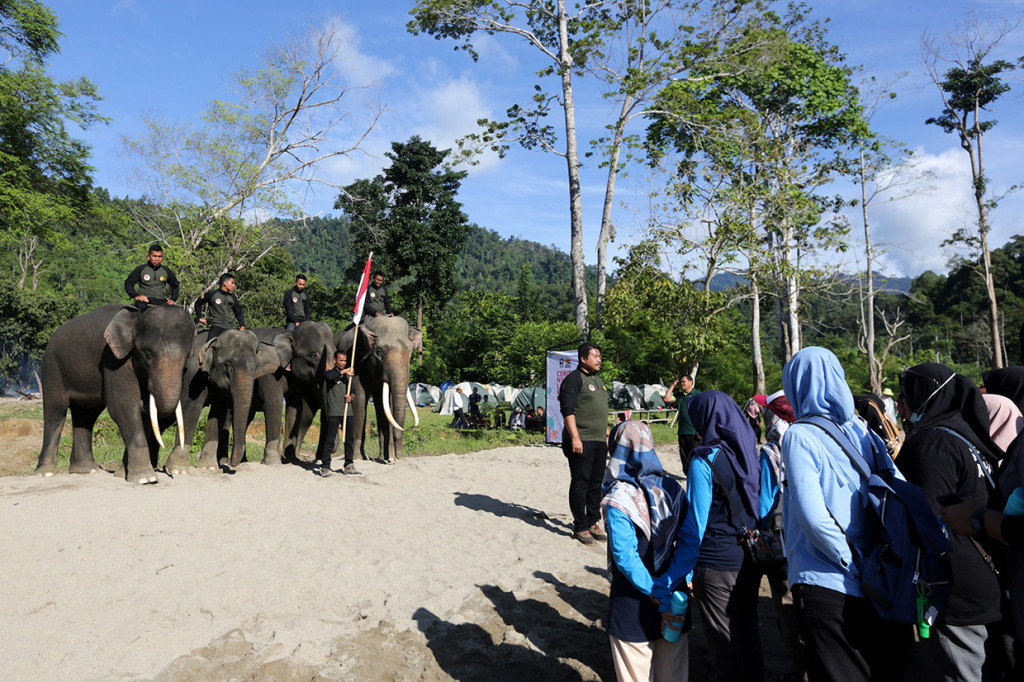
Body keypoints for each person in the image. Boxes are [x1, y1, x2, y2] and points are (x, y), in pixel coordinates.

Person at [781, 347, 913, 682]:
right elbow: (899, 486)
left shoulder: (800, 434)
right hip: (878, 576)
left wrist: (851, 562)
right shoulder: (862, 430)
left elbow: (812, 517)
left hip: (826, 579)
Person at [897, 363, 1005, 682]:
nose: (900, 403)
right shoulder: (961, 436)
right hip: (984, 577)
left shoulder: (931, 444)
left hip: (953, 590)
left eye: (905, 395)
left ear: (924, 395)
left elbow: (925, 522)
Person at [675, 390, 764, 682]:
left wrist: (680, 571)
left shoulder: (704, 460)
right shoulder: (750, 451)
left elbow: (696, 523)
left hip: (716, 564)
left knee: (724, 646)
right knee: (748, 633)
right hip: (749, 559)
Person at [601, 420, 691, 682]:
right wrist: (669, 584)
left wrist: (654, 591)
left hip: (632, 599)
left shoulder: (619, 497)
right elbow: (689, 543)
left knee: (635, 672)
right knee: (673, 671)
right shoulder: (673, 488)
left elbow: (624, 555)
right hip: (675, 595)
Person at [558, 343, 610, 546]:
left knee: (596, 483)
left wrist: (606, 433)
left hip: (598, 441)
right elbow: (567, 410)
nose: (599, 359)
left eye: (600, 355)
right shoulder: (573, 379)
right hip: (581, 441)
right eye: (595, 356)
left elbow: (600, 410)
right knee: (581, 482)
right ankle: (580, 527)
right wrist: (575, 437)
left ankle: (592, 522)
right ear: (583, 358)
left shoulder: (598, 380)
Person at [316, 350, 360, 477]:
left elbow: (353, 391)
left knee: (349, 439)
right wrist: (344, 371)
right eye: (341, 360)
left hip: (348, 411)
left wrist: (351, 397)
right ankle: (325, 466)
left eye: (345, 361)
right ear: (335, 360)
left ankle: (349, 465)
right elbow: (329, 377)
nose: (343, 363)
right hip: (334, 411)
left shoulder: (348, 377)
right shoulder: (330, 373)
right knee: (329, 439)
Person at [124, 243, 180, 309]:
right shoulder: (140, 269)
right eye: (154, 256)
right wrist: (136, 296)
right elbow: (128, 283)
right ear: (149, 256)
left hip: (162, 301)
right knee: (140, 309)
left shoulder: (166, 271)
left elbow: (175, 285)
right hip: (145, 301)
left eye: (159, 257)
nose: (157, 259)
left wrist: (173, 299)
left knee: (175, 311)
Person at [662, 375, 700, 469]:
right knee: (684, 457)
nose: (682, 383)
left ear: (691, 382)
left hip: (695, 432)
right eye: (681, 382)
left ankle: (697, 475)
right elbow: (666, 399)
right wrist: (673, 386)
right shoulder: (680, 396)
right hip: (682, 431)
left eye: (684, 382)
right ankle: (687, 475)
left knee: (696, 456)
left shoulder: (698, 395)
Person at [195, 274, 246, 339]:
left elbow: (238, 312)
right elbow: (198, 303)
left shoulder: (233, 297)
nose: (234, 285)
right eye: (232, 283)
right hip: (217, 326)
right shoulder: (212, 294)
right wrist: (199, 317)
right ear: (224, 283)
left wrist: (242, 326)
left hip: (231, 327)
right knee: (212, 345)